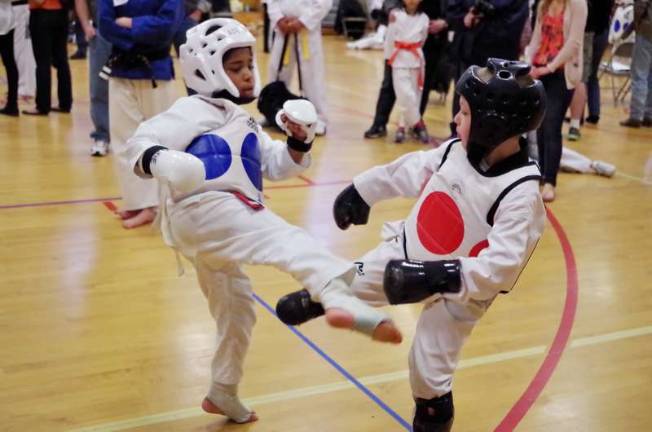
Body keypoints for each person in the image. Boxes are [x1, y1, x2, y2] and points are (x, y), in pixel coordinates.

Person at [125, 18, 402, 424]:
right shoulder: (192, 109)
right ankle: (339, 294)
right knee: (285, 238)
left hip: (216, 227)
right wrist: (161, 160)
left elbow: (276, 166)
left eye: (249, 65)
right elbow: (142, 140)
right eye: (236, 67)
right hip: (207, 208)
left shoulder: (246, 120)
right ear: (206, 69)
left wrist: (298, 140)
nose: (248, 73)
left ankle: (223, 388)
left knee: (237, 311)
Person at [277, 58, 547, 432]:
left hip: (459, 295)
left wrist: (437, 276)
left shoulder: (519, 193)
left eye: (465, 113)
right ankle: (318, 299)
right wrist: (362, 191)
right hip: (405, 250)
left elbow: (501, 267)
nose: (455, 120)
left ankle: (431, 418)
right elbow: (409, 169)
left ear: (492, 124)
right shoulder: (455, 150)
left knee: (428, 369)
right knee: (351, 277)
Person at [98, 0, 183, 228]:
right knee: (125, 141)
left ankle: (159, 205)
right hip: (120, 68)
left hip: (155, 70)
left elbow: (167, 27)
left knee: (162, 141)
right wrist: (140, 35)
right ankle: (138, 202)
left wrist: (132, 23)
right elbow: (105, 25)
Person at [525, 0, 587, 202]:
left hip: (561, 72)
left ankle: (550, 181)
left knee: (552, 124)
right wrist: (528, 63)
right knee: (540, 126)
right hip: (540, 69)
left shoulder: (578, 5)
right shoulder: (544, 3)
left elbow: (574, 43)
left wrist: (550, 67)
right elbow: (536, 38)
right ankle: (541, 175)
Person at [364, 0, 449, 141]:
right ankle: (381, 124)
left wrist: (446, 21)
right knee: (390, 85)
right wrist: (392, 9)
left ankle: (412, 125)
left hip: (431, 36)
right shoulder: (398, 13)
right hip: (399, 39)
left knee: (422, 87)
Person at [446, 0, 530, 136]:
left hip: (498, 57)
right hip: (469, 50)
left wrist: (480, 16)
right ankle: (458, 135)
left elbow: (510, 21)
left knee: (491, 106)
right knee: (464, 97)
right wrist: (465, 17)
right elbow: (454, 9)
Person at [267, 0, 331, 135]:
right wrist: (278, 18)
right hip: (283, 29)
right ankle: (272, 111)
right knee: (277, 71)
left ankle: (318, 118)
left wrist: (302, 21)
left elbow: (323, 3)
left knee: (312, 75)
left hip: (307, 31)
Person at [386, 0, 429, 143]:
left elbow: (423, 39)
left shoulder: (424, 18)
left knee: (415, 95)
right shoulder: (395, 15)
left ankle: (402, 126)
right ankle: (419, 124)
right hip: (398, 59)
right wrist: (388, 57)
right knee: (405, 95)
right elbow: (390, 38)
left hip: (416, 59)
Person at [74, 0, 112, 156]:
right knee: (98, 87)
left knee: (135, 85)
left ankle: (138, 137)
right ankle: (102, 135)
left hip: (131, 30)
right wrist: (86, 25)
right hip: (101, 32)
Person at [22, 0, 72, 116]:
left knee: (42, 62)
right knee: (62, 61)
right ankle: (65, 103)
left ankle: (42, 105)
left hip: (42, 14)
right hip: (61, 12)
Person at [620, 0, 652, 128]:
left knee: (640, 74)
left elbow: (640, 6)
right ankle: (648, 114)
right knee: (650, 76)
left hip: (647, 31)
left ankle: (636, 116)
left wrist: (637, 25)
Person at [11, 0, 36, 102]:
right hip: (11, 8)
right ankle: (22, 86)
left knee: (23, 49)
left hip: (20, 8)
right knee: (16, 50)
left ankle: (26, 89)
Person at [0, 0, 19, 116]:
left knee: (9, 62)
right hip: (8, 19)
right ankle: (12, 104)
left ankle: (12, 104)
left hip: (4, 19)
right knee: (9, 62)